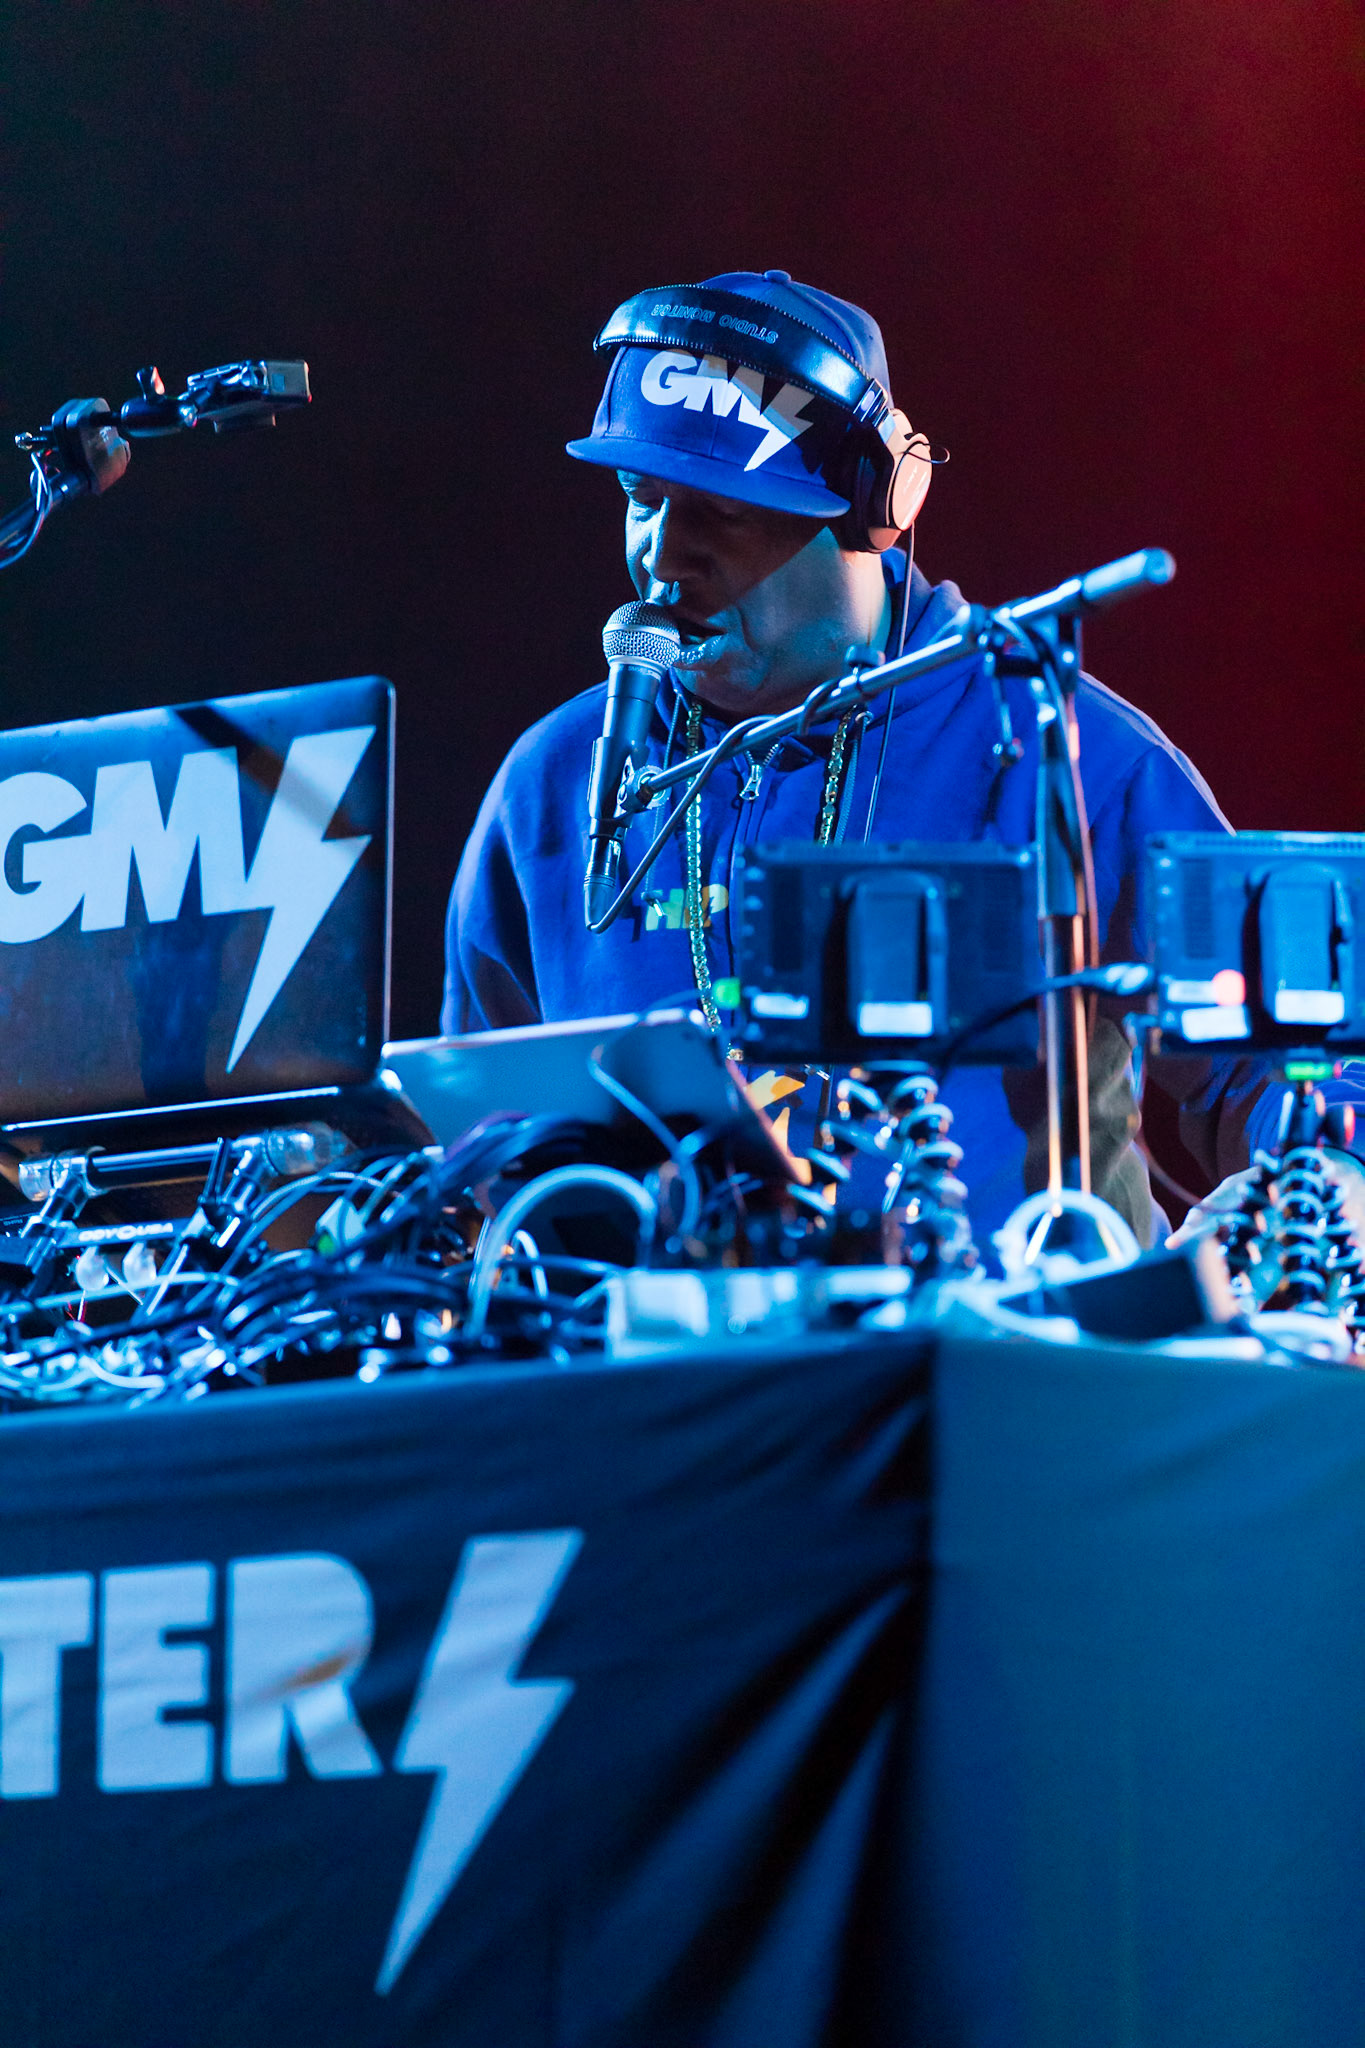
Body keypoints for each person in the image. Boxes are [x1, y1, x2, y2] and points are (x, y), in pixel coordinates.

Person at [442, 269, 1304, 1250]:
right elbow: (474, 1148)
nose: (661, 556)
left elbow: (1291, 1077)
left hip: (1001, 1383)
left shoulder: (1067, 750)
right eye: (642, 498)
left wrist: (1285, 1217)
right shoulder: (549, 786)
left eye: (719, 513)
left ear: (873, 511)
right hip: (653, 1388)